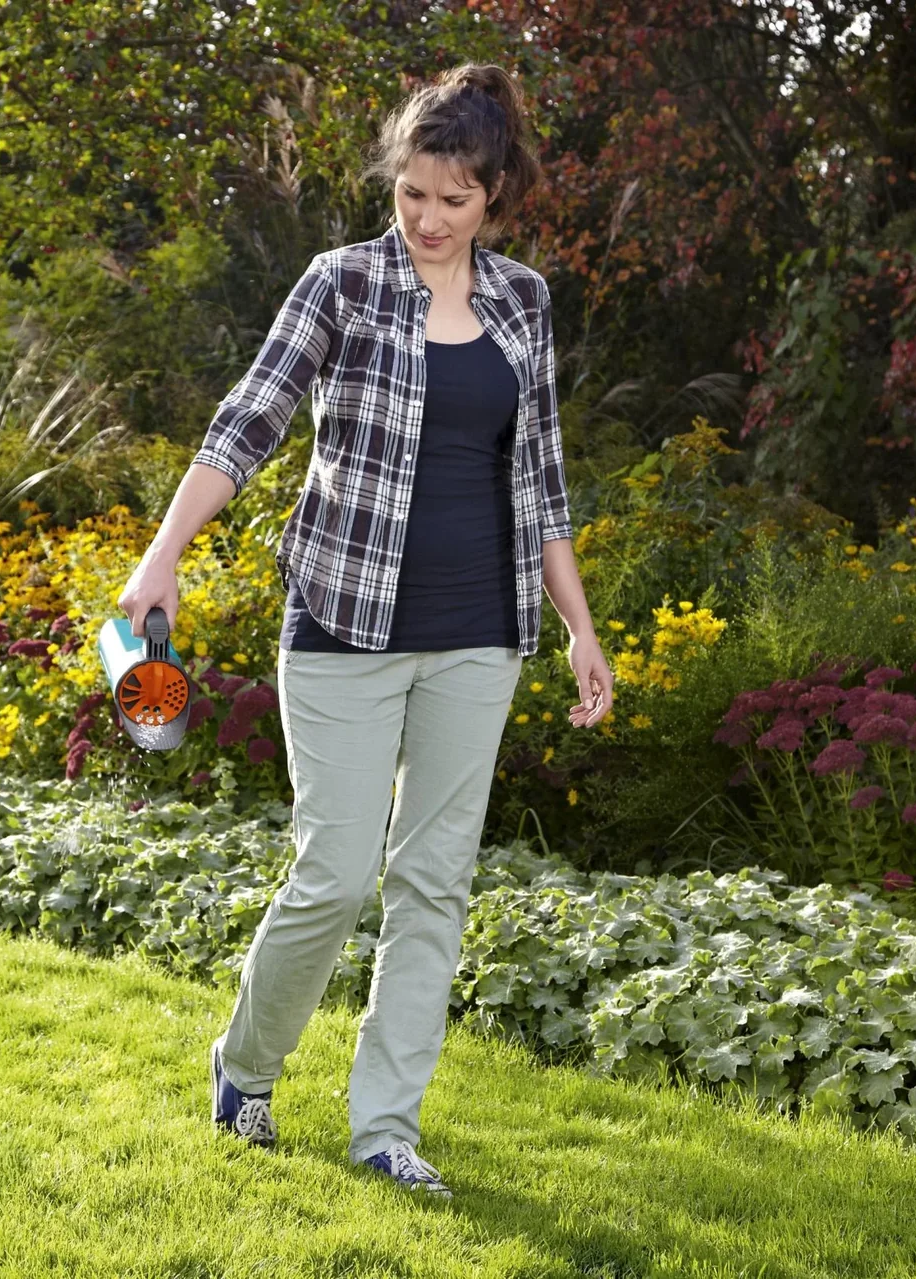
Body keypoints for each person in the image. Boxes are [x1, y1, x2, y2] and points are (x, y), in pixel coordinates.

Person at [117, 62, 614, 1200]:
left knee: (434, 883)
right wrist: (165, 553)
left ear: (496, 195)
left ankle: (385, 1127)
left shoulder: (524, 302)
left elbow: (540, 479)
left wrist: (580, 627)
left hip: (481, 629)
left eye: (454, 200)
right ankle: (246, 1067)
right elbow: (249, 419)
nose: (429, 220)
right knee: (336, 874)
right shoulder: (340, 283)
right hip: (342, 620)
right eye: (412, 196)